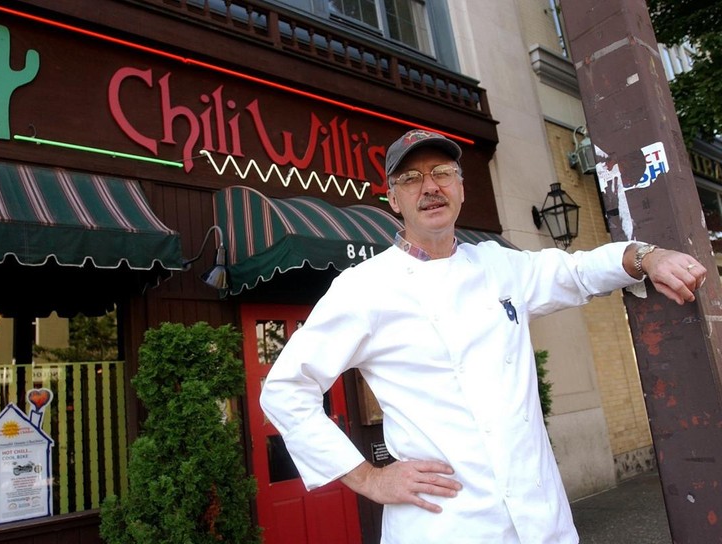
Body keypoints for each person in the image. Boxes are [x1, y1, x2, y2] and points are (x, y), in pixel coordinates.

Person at [259, 129, 706, 543]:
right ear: (392, 199)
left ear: (461, 188)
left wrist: (647, 255)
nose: (430, 187)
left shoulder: (499, 265)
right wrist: (369, 479)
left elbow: (578, 270)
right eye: (411, 178)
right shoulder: (364, 287)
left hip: (542, 519)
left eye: (442, 174)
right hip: (446, 524)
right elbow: (284, 390)